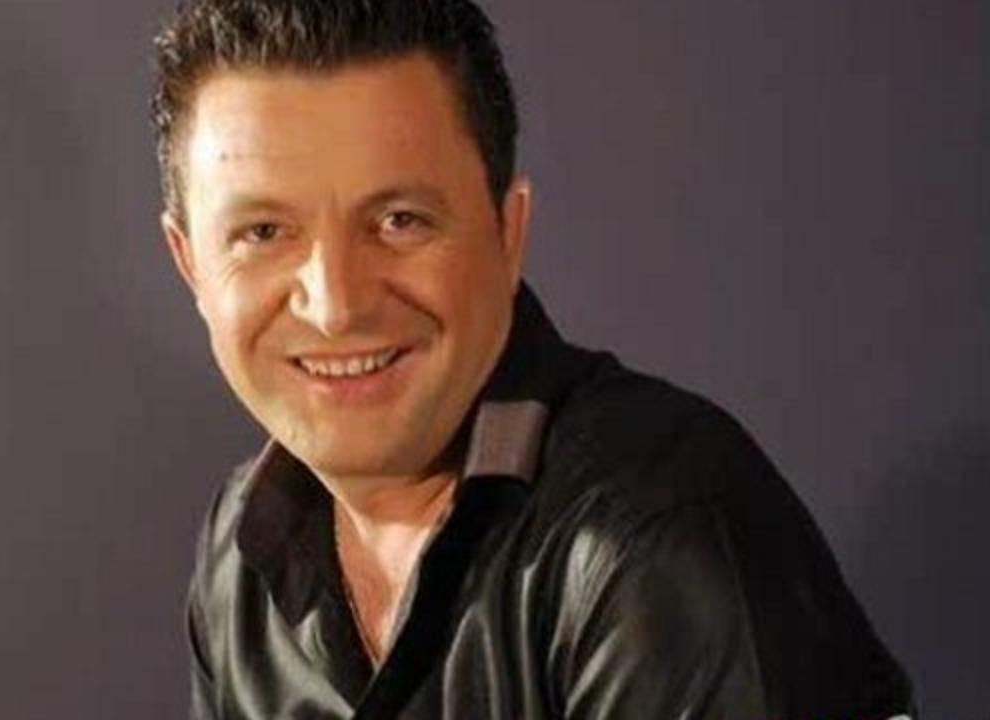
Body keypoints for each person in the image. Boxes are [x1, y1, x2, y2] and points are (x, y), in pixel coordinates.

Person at [150, 0, 915, 717]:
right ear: (189, 265)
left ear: (508, 233)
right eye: (262, 234)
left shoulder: (657, 537)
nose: (337, 305)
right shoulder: (238, 548)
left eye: (399, 220)